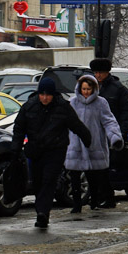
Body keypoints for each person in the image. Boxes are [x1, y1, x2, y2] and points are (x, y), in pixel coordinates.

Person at [11, 77, 91, 228]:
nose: (45, 98)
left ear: (53, 94)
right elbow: (19, 128)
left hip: (55, 151)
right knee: (38, 182)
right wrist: (15, 149)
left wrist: (87, 138)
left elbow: (76, 124)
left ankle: (42, 212)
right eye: (42, 94)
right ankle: (41, 211)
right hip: (36, 151)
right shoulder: (29, 106)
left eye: (48, 95)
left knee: (49, 180)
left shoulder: (62, 107)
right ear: (38, 93)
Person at [65, 74, 123, 212]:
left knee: (94, 177)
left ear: (94, 89)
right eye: (83, 89)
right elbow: (64, 121)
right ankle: (77, 204)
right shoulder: (72, 102)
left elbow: (109, 121)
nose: (86, 92)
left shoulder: (101, 103)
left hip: (94, 144)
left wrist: (114, 137)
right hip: (75, 144)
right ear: (79, 88)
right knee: (74, 177)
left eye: (88, 89)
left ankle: (94, 201)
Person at [90, 58, 128, 145]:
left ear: (107, 72)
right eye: (96, 73)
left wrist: (121, 134)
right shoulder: (91, 86)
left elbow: (126, 112)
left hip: (111, 134)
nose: (98, 75)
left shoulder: (118, 88)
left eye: (100, 73)